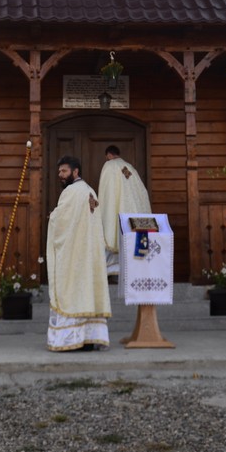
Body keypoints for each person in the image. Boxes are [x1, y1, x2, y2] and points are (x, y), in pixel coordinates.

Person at [46, 155, 110, 352]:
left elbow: (60, 223)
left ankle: (69, 340)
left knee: (71, 295)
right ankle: (89, 339)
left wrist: (52, 217)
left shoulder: (71, 192)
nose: (60, 175)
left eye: (64, 171)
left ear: (75, 172)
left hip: (74, 258)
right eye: (59, 171)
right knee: (88, 294)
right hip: (89, 258)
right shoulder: (90, 191)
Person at [97, 145, 149, 275]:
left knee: (112, 234)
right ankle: (129, 273)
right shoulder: (129, 167)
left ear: (109, 155)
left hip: (115, 212)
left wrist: (103, 209)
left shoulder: (109, 166)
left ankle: (112, 273)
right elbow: (141, 192)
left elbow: (106, 192)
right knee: (130, 242)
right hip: (133, 215)